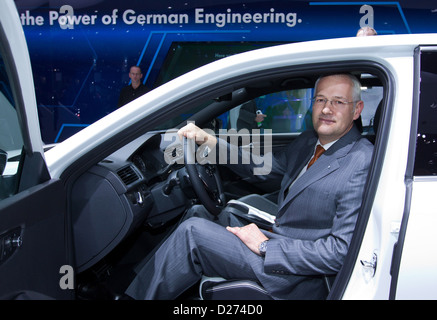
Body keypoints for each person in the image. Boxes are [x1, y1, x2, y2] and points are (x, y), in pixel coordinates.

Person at [125, 73, 374, 300]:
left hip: (295, 275)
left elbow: (340, 251)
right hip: (280, 236)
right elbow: (263, 168)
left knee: (193, 233)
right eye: (320, 100)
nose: (327, 109)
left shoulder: (361, 161)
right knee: (199, 213)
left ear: (357, 110)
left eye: (338, 102)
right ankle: (136, 285)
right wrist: (209, 141)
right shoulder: (310, 141)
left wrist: (266, 246)